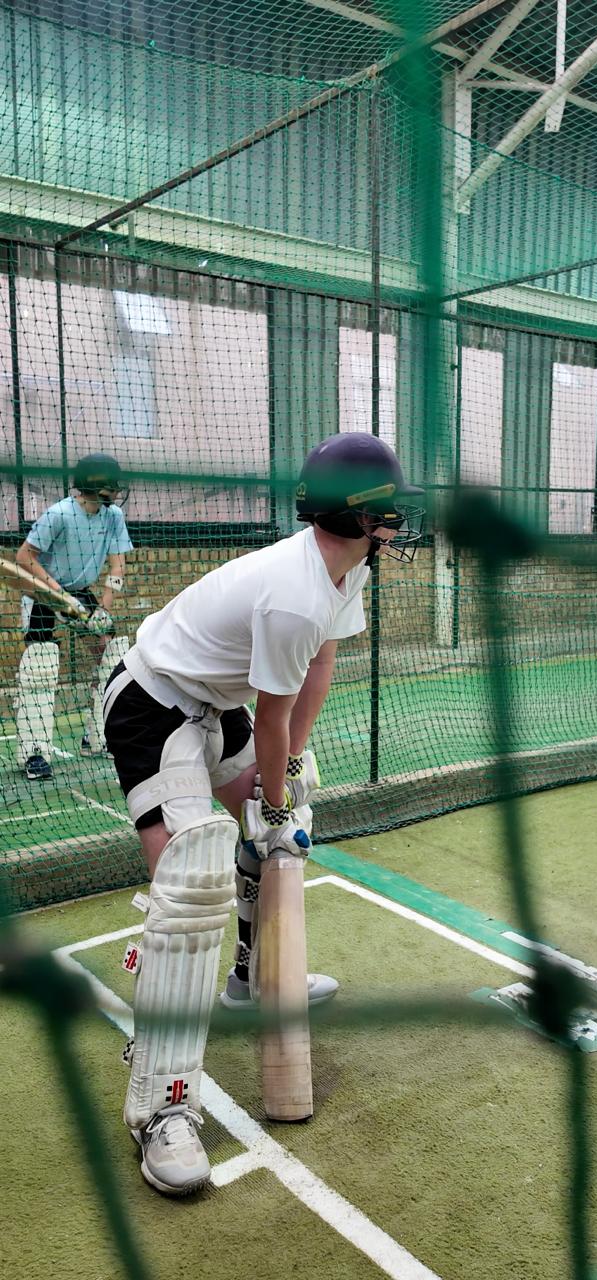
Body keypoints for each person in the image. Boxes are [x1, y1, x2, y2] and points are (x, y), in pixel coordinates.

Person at [103, 432, 424, 1195]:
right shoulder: (293, 592)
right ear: (359, 516)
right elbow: (272, 716)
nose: (397, 521)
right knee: (193, 881)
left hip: (215, 708)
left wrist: (286, 786)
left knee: (281, 816)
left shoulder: (344, 570)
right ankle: (162, 1107)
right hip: (152, 705)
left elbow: (319, 668)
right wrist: (272, 797)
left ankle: (251, 977)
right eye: (386, 509)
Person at [14, 452, 132, 781]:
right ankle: (35, 752)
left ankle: (98, 737)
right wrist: (58, 595)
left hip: (80, 591)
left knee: (111, 653)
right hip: (44, 592)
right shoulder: (60, 514)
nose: (117, 490)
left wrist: (103, 608)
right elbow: (24, 556)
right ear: (97, 486)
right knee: (41, 663)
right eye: (112, 484)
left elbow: (118, 566)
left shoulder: (113, 516)